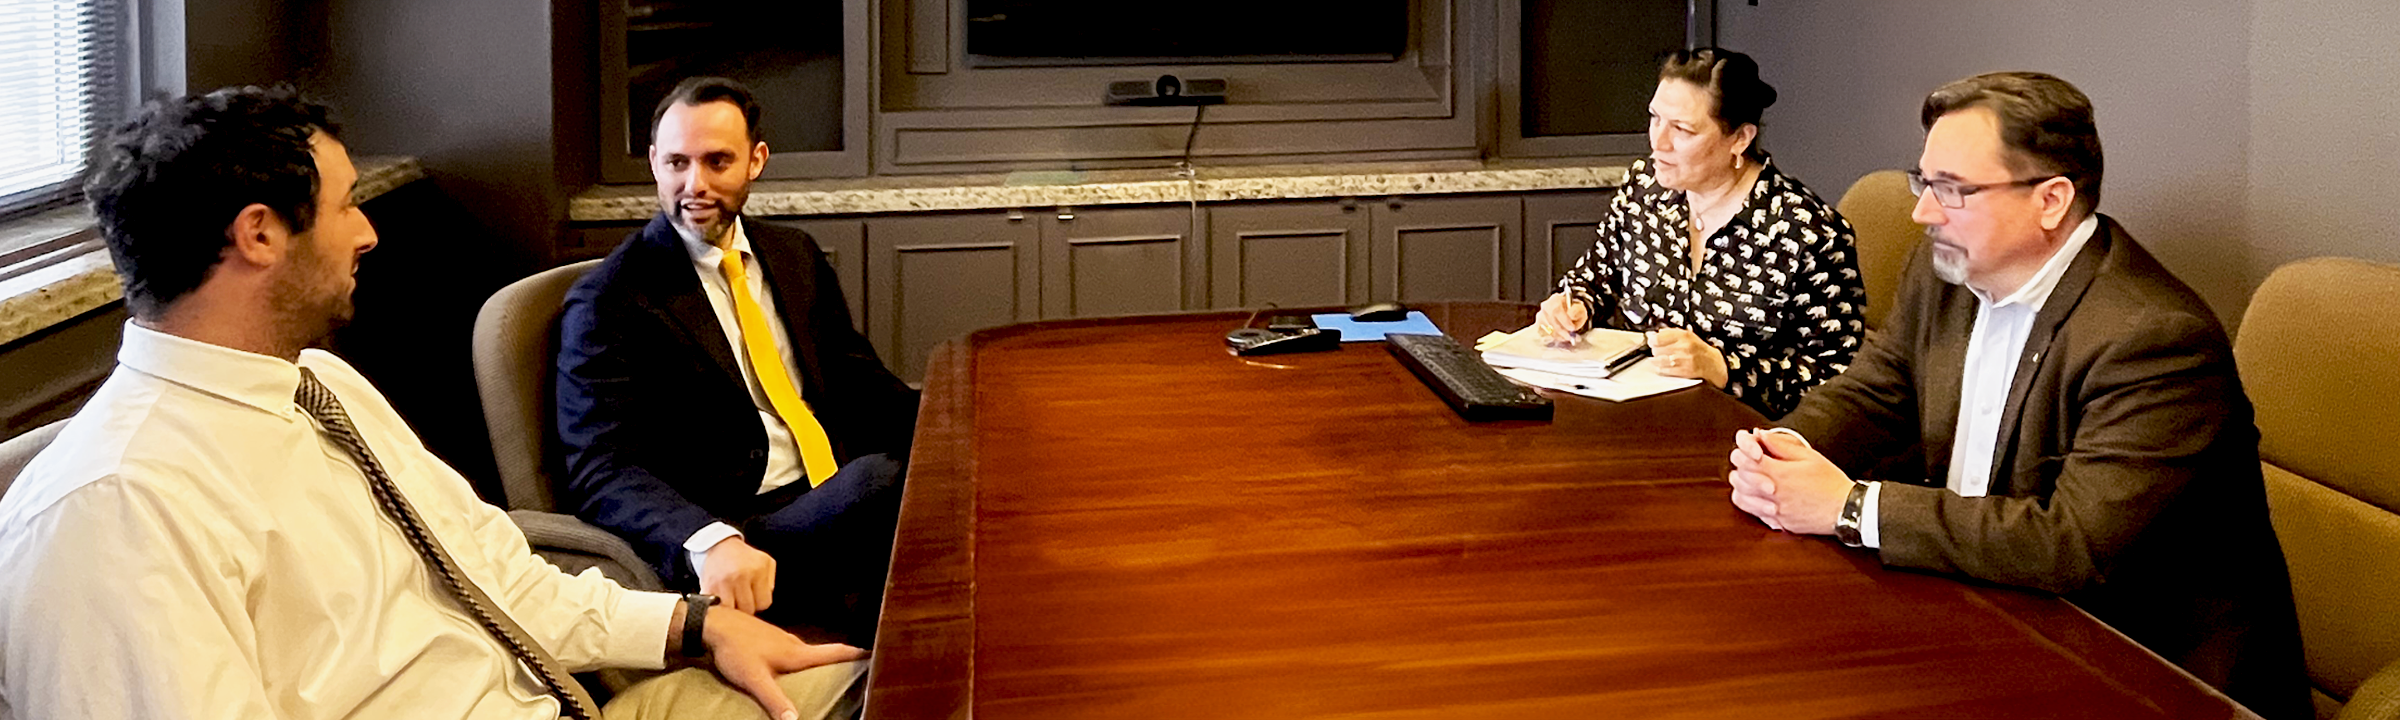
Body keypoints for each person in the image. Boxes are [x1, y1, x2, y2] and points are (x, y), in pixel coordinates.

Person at [0, 86, 867, 720]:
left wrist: (694, 626)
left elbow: (499, 575)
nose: (368, 231)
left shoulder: (322, 386)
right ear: (260, 233)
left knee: (883, 683)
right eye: (345, 206)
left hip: (568, 700)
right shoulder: (109, 513)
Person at [1723, 72, 2306, 718]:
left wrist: (1851, 506)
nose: (1923, 212)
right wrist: (1782, 452)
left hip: (2145, 668)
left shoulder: (2153, 339)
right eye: (1924, 182)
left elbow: (2072, 544)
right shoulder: (1945, 271)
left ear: (2051, 200)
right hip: (1985, 603)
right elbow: (1875, 391)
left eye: (1953, 190)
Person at [556, 77, 917, 645]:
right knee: (887, 484)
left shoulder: (793, 255)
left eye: (717, 162)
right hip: (738, 531)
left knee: (938, 475)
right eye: (677, 163)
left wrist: (957, 430)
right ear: (654, 163)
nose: (694, 184)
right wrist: (710, 540)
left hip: (828, 487)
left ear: (756, 161)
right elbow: (601, 468)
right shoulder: (610, 299)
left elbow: (860, 383)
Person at [1534, 47, 1865, 418]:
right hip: (1637, 417)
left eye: (1682, 129)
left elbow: (1839, 383)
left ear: (1740, 139)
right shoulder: (1645, 189)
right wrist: (1574, 305)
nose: (1658, 142)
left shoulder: (1809, 233)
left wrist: (1723, 368)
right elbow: (1595, 279)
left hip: (1746, 435)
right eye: (1655, 118)